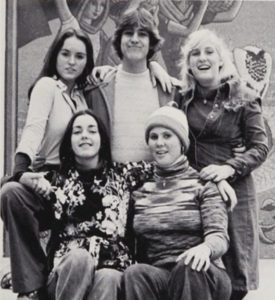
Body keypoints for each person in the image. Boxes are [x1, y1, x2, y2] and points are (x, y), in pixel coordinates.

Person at [175, 29, 269, 300]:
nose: (202, 58)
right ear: (188, 64)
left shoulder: (245, 95)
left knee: (236, 275)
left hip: (236, 192)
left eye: (208, 51)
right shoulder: (182, 98)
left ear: (220, 59)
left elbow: (260, 146)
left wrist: (228, 168)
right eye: (195, 53)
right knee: (197, 266)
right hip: (197, 190)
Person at [1, 28, 94, 300]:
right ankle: (30, 285)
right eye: (65, 54)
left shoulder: (83, 96)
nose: (71, 61)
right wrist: (21, 171)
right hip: (48, 179)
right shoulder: (47, 86)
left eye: (79, 56)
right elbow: (33, 128)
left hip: (79, 184)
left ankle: (50, 276)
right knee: (11, 194)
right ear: (55, 56)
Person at [123, 105, 232, 300]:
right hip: (162, 274)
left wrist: (205, 248)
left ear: (182, 142)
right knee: (135, 273)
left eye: (167, 136)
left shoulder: (204, 184)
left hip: (204, 273)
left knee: (188, 267)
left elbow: (219, 236)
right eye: (154, 137)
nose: (159, 143)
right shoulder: (140, 190)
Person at [43, 109, 153, 300]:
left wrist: (219, 175)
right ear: (69, 141)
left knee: (108, 277)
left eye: (92, 131)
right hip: (66, 275)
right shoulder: (55, 180)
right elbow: (10, 187)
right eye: (77, 132)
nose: (84, 136)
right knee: (80, 258)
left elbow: (169, 164)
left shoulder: (123, 175)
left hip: (112, 269)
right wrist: (24, 176)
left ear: (102, 139)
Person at [85, 6, 177, 162]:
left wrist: (154, 66)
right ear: (119, 40)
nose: (134, 39)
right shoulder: (99, 87)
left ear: (151, 42)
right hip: (111, 181)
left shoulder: (169, 88)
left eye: (142, 34)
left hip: (157, 182)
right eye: (128, 33)